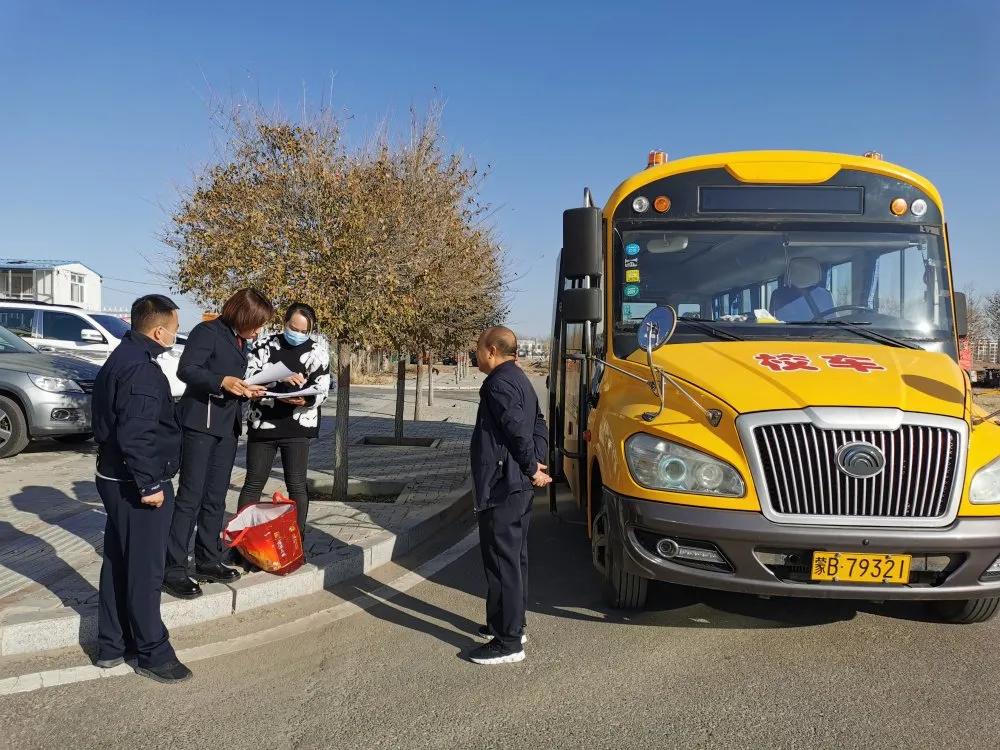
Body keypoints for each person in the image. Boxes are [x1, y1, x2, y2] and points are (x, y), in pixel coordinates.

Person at [91, 294, 191, 683]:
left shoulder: (122, 358)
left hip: (114, 477)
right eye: (175, 329)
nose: (175, 336)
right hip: (136, 484)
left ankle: (112, 645)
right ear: (159, 330)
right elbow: (137, 433)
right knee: (146, 570)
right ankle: (153, 652)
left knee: (118, 561)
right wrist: (150, 483)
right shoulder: (142, 372)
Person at [163, 288, 274, 600]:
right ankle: (172, 568)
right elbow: (188, 370)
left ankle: (208, 558)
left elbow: (231, 378)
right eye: (256, 323)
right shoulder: (208, 331)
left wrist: (246, 389)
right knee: (191, 497)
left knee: (215, 497)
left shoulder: (239, 339)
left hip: (227, 427)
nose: (258, 330)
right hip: (200, 424)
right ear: (241, 316)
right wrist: (221, 381)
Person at [468, 326, 550, 666]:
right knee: (512, 559)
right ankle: (506, 624)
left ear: (490, 350)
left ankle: (509, 643)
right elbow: (538, 423)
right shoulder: (518, 377)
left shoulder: (498, 383)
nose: (475, 355)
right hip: (516, 484)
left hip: (504, 485)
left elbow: (518, 430)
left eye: (477, 349)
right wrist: (538, 462)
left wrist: (531, 468)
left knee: (503, 563)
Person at [237, 303, 331, 540]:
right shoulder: (263, 345)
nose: (297, 334)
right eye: (293, 327)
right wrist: (278, 379)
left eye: (303, 331)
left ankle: (296, 542)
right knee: (253, 484)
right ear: (285, 322)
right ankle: (243, 542)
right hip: (263, 423)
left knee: (297, 484)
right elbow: (247, 379)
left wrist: (305, 400)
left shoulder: (318, 350)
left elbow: (323, 388)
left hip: (298, 426)